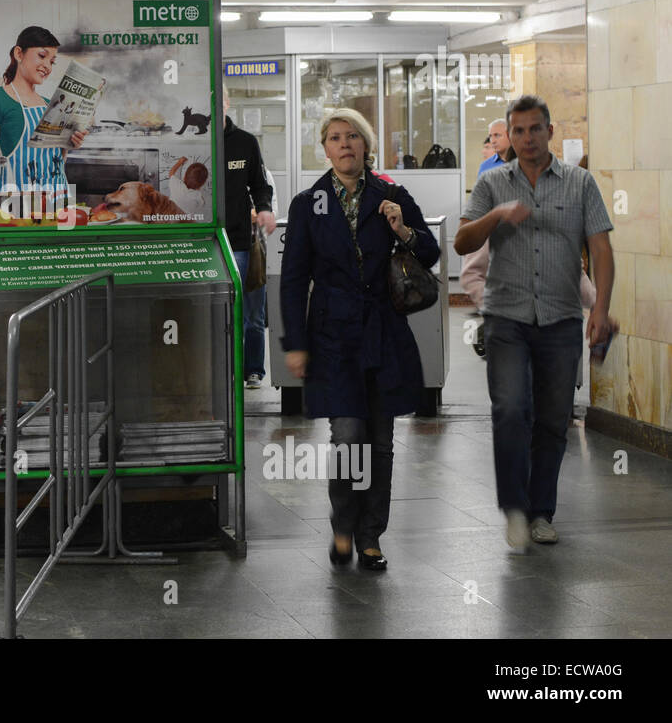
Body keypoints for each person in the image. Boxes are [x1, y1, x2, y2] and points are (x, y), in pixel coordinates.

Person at [454, 95, 616, 552]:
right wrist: (497, 215)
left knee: (551, 419)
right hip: (507, 318)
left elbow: (601, 250)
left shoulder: (581, 184)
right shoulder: (492, 183)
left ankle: (541, 511)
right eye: (518, 130)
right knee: (509, 410)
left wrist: (599, 308)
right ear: (510, 134)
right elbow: (462, 241)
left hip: (561, 319)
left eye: (535, 129)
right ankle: (514, 509)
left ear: (550, 131)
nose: (527, 139)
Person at [281, 108, 439, 571]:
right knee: (349, 436)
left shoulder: (392, 194)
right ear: (325, 149)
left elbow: (428, 250)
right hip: (332, 335)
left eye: (353, 136)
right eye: (335, 137)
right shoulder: (308, 203)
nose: (345, 144)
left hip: (383, 333)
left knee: (382, 440)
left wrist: (402, 228)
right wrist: (295, 342)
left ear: (366, 145)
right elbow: (294, 280)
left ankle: (371, 535)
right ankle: (343, 526)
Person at [0, 26, 86, 213]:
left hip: (59, 203)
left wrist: (70, 143)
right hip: (20, 208)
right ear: (19, 54)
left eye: (52, 61)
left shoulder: (49, 105)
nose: (47, 66)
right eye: (42, 56)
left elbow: (55, 162)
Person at [222, 106, 276, 289]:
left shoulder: (245, 142)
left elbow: (260, 185)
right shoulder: (192, 142)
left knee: (238, 303)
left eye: (218, 101)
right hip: (197, 240)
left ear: (227, 103)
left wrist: (265, 209)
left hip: (236, 241)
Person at [243, 166, 278, 389]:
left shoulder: (264, 175)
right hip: (224, 249)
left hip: (255, 251)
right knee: (225, 316)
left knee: (255, 316)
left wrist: (258, 216)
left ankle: (254, 370)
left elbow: (272, 213)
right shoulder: (218, 168)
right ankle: (230, 368)